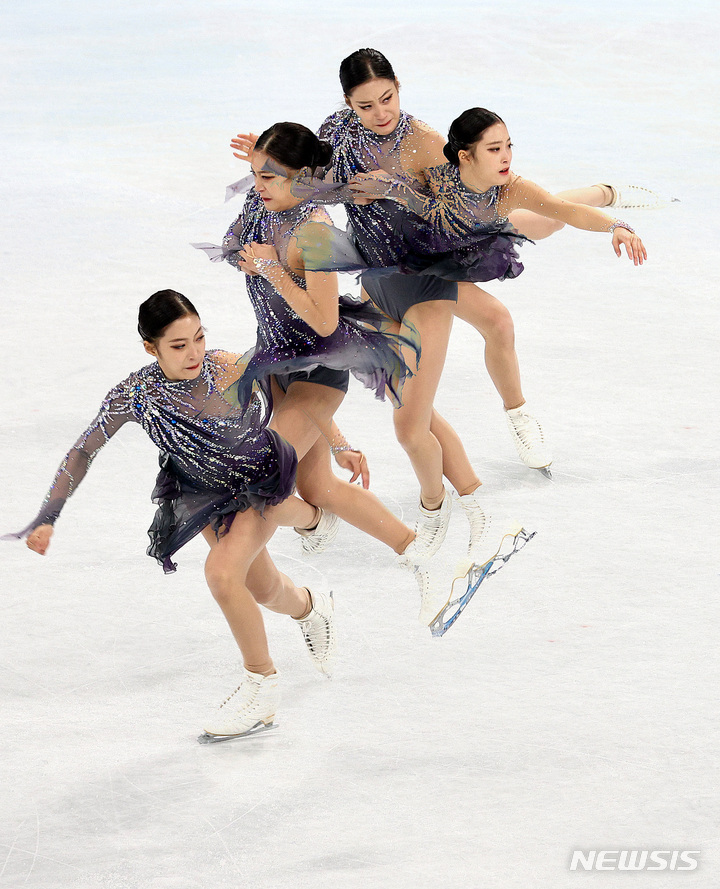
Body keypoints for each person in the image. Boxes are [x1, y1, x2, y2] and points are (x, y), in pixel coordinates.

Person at [231, 47, 662, 476]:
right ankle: (597, 196)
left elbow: (448, 211)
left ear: (398, 87)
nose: (381, 112)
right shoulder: (338, 130)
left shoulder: (425, 142)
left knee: (538, 227)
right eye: (366, 105)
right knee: (514, 271)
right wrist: (277, 164)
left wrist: (395, 191)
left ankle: (519, 415)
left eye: (387, 98)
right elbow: (317, 173)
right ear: (348, 104)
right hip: (388, 266)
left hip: (444, 246)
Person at [4, 290, 338, 742]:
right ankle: (313, 608)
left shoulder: (227, 364)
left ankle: (262, 683)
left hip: (252, 482)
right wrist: (49, 516)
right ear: (151, 347)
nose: (194, 352)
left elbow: (295, 389)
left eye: (198, 338)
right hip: (202, 495)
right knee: (262, 588)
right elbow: (83, 450)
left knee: (222, 576)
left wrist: (335, 439)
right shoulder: (136, 395)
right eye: (179, 346)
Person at [201, 122, 451, 625]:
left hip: (318, 370)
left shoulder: (315, 232)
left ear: (303, 179)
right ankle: (403, 545)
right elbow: (234, 247)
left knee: (258, 473)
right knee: (319, 488)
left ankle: (422, 562)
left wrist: (273, 271)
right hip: (274, 360)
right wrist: (250, 263)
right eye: (255, 176)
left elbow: (324, 320)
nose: (259, 186)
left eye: (270, 177)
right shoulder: (260, 204)